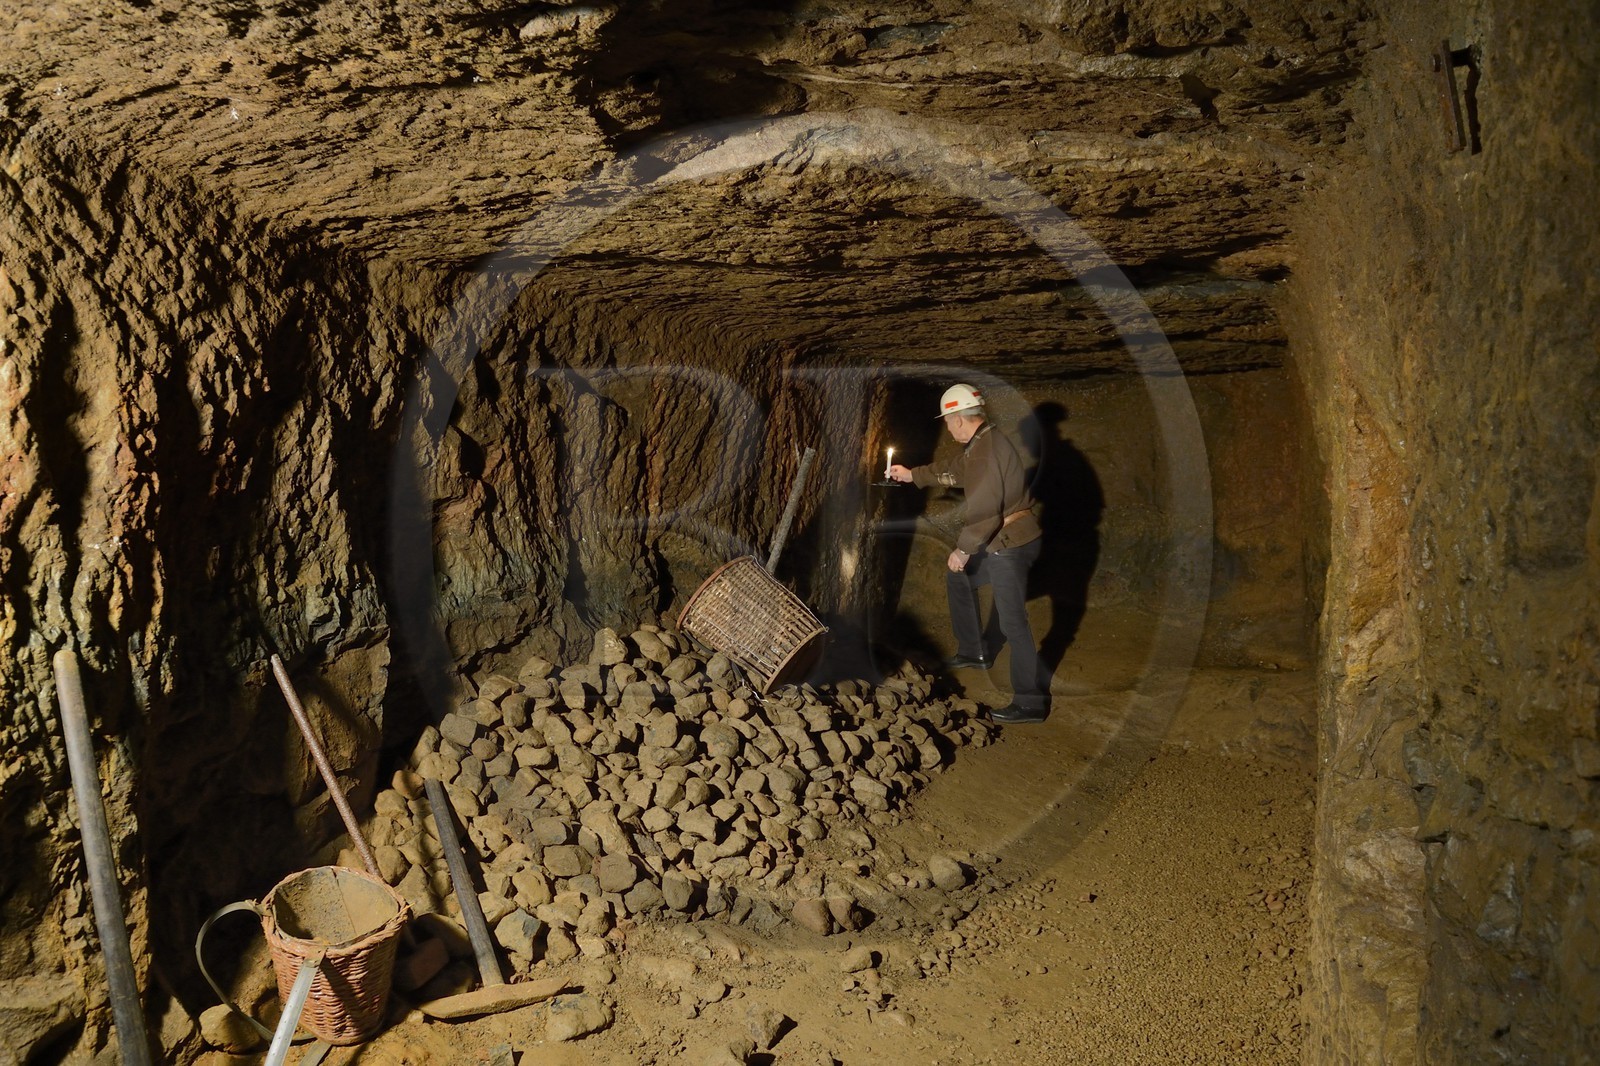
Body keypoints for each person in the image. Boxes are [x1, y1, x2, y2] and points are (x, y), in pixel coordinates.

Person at [887, 384, 1049, 724]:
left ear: (961, 419)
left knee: (1013, 622)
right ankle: (975, 651)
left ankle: (1031, 701)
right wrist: (912, 474)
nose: (947, 428)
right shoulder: (982, 444)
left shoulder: (987, 450)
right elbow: (955, 469)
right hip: (1005, 538)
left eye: (948, 421)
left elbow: (986, 510)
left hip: (1008, 543)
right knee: (959, 579)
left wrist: (962, 549)